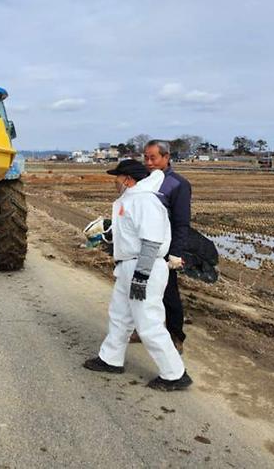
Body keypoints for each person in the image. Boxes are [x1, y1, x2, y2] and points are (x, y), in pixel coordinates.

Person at [84, 159, 191, 391]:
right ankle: (110, 359)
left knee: (148, 322)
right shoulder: (131, 199)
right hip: (128, 267)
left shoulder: (144, 200)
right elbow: (132, 235)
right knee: (120, 316)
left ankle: (175, 374)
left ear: (128, 179)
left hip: (144, 268)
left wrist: (141, 276)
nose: (116, 182)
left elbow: (152, 240)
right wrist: (108, 236)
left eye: (118, 177)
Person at [143, 139, 191, 353]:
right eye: (146, 157)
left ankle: (175, 335)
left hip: (164, 248)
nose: (149, 162)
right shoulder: (144, 181)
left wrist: (175, 254)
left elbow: (181, 223)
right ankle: (140, 328)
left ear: (166, 157)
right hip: (144, 246)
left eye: (153, 157)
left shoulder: (177, 184)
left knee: (168, 292)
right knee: (141, 290)